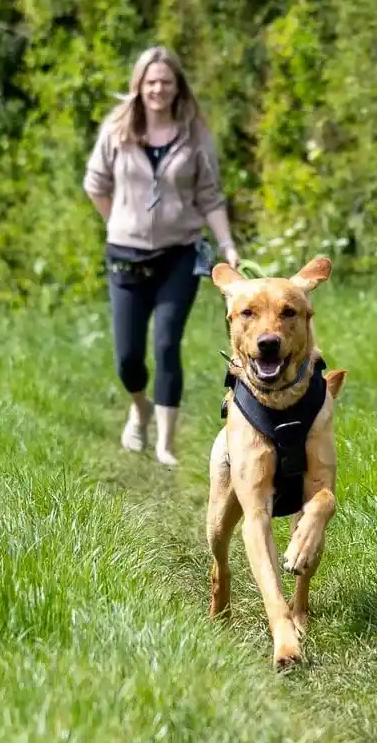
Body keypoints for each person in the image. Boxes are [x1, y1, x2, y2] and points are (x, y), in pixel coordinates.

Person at [83, 45, 240, 468]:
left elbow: (209, 197)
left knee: (168, 343)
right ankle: (141, 407)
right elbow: (95, 183)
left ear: (177, 88)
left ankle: (166, 444)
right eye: (151, 82)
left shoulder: (194, 135)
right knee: (128, 357)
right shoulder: (117, 130)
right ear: (139, 85)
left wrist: (226, 245)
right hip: (125, 255)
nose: (158, 89)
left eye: (166, 82)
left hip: (179, 253)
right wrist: (116, 219)